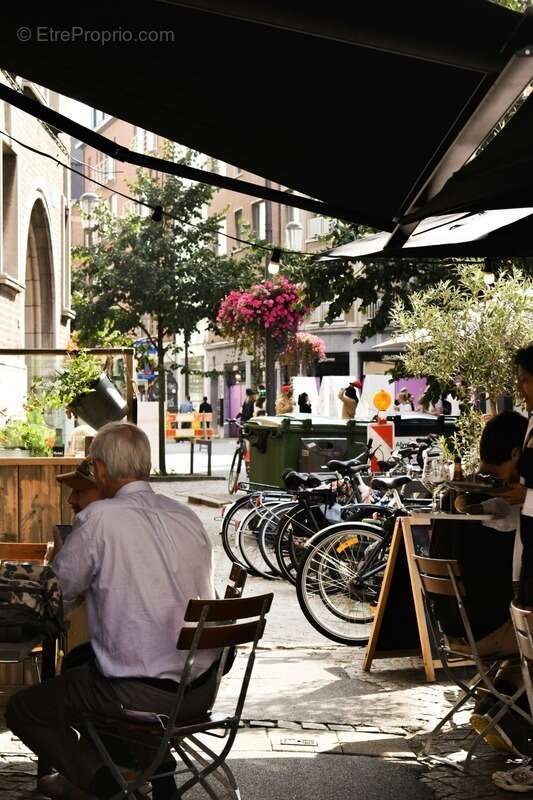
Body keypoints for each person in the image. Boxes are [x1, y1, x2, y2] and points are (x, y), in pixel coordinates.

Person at [6, 422, 219, 800]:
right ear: (147, 467)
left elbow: (56, 597)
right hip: (200, 691)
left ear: (100, 470)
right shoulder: (187, 517)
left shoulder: (100, 518)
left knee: (26, 709)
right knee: (84, 662)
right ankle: (124, 766)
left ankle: (102, 783)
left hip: (141, 695)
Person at [430, 411, 528, 757]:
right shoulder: (509, 513)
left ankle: (494, 710)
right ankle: (510, 718)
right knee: (528, 632)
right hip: (489, 629)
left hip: (452, 632)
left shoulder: (455, 499)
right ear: (517, 454)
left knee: (521, 643)